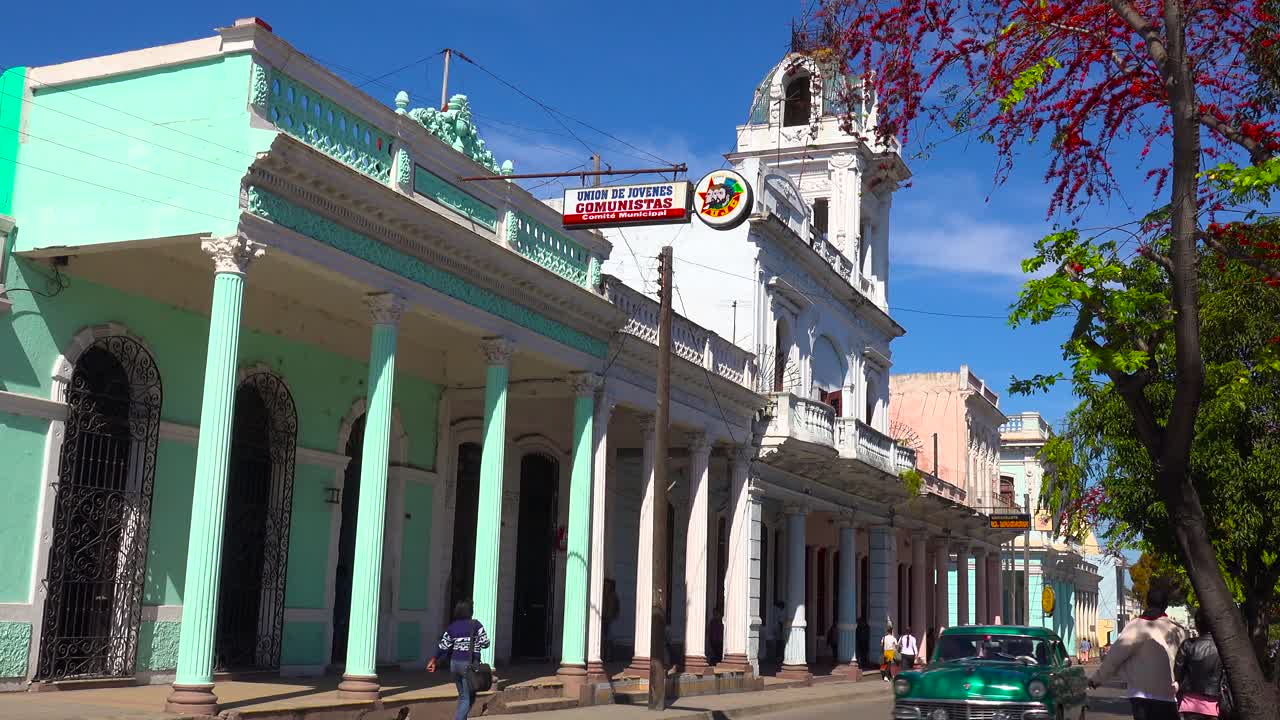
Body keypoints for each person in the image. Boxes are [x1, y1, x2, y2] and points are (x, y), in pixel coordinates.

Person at [1089, 585, 1188, 720]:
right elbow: (1185, 663)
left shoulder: (1134, 627)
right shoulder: (1177, 630)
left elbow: (1114, 658)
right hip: (1168, 695)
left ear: (1147, 602)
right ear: (1166, 605)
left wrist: (1097, 679)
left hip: (1140, 696)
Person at [428, 600, 491, 720]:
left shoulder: (452, 627)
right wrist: (478, 642)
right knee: (468, 698)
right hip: (468, 665)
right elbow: (485, 643)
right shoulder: (476, 624)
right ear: (470, 611)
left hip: (454, 664)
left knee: (464, 696)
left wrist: (434, 659)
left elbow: (443, 646)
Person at [1175, 609, 1228, 720]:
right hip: (1215, 701)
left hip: (1190, 702)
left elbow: (1178, 673)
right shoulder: (1223, 647)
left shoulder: (1188, 645)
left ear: (1197, 625)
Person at [602, 578, 620, 662]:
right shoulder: (603, 595)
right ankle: (605, 656)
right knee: (605, 639)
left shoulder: (613, 596)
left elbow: (616, 608)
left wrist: (614, 617)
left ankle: (610, 656)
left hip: (610, 620)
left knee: (610, 639)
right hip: (605, 619)